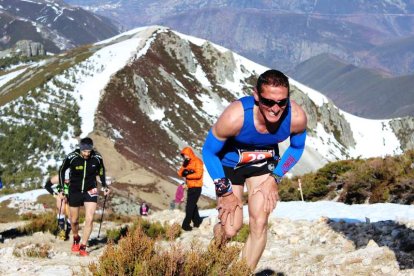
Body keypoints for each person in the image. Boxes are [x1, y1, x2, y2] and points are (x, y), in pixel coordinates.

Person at [202, 69, 307, 269]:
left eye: (281, 102)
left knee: (259, 223)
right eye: (268, 102)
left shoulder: (296, 118)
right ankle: (216, 248)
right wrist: (224, 191)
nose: (275, 109)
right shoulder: (235, 116)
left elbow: (296, 147)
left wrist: (275, 178)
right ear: (257, 96)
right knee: (231, 229)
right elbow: (208, 151)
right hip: (230, 164)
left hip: (263, 164)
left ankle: (241, 273)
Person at [58, 137, 110, 256]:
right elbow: (62, 170)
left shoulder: (97, 157)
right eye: (84, 151)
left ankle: (83, 246)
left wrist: (105, 186)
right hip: (74, 190)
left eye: (89, 151)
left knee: (90, 218)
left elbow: (101, 171)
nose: (87, 153)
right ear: (80, 149)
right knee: (74, 220)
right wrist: (61, 188)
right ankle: (76, 237)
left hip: (90, 189)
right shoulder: (72, 157)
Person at [177, 147, 204, 231]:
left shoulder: (198, 161)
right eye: (183, 155)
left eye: (185, 155)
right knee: (192, 205)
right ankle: (197, 221)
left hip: (196, 187)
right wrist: (184, 169)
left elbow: (199, 174)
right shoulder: (186, 163)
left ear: (190, 154)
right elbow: (180, 173)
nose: (184, 157)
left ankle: (186, 224)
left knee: (189, 206)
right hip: (190, 187)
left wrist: (188, 174)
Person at [44, 174, 71, 240]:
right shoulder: (58, 177)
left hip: (72, 195)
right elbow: (47, 186)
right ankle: (61, 232)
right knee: (61, 210)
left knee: (71, 215)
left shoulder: (76, 175)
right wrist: (56, 195)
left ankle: (67, 233)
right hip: (61, 195)